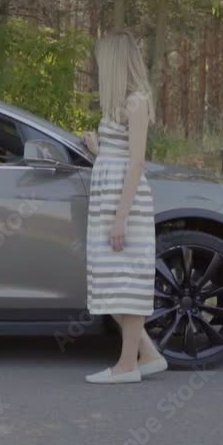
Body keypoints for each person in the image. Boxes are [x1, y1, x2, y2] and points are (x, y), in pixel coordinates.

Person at [82, 30, 167, 384]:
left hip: (123, 203)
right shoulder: (117, 105)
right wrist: (97, 150)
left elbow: (136, 164)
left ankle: (127, 366)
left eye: (103, 59)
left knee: (125, 282)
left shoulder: (136, 101)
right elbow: (118, 157)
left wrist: (120, 219)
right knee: (107, 283)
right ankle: (147, 355)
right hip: (108, 198)